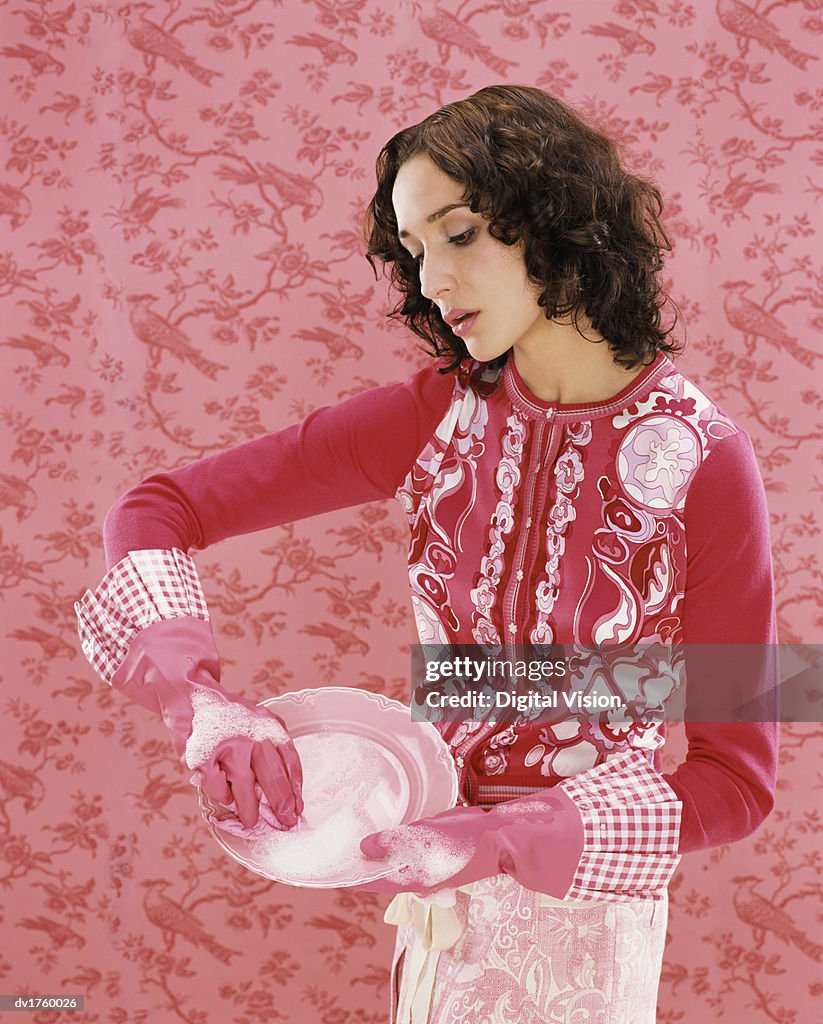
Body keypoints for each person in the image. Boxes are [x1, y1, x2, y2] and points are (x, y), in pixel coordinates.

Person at [75, 85, 778, 1023]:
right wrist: (195, 699)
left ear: (556, 222)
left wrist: (506, 839)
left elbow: (738, 783)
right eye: (413, 251)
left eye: (458, 234)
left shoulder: (706, 458)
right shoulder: (433, 415)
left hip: (587, 914)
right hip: (419, 878)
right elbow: (153, 508)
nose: (434, 280)